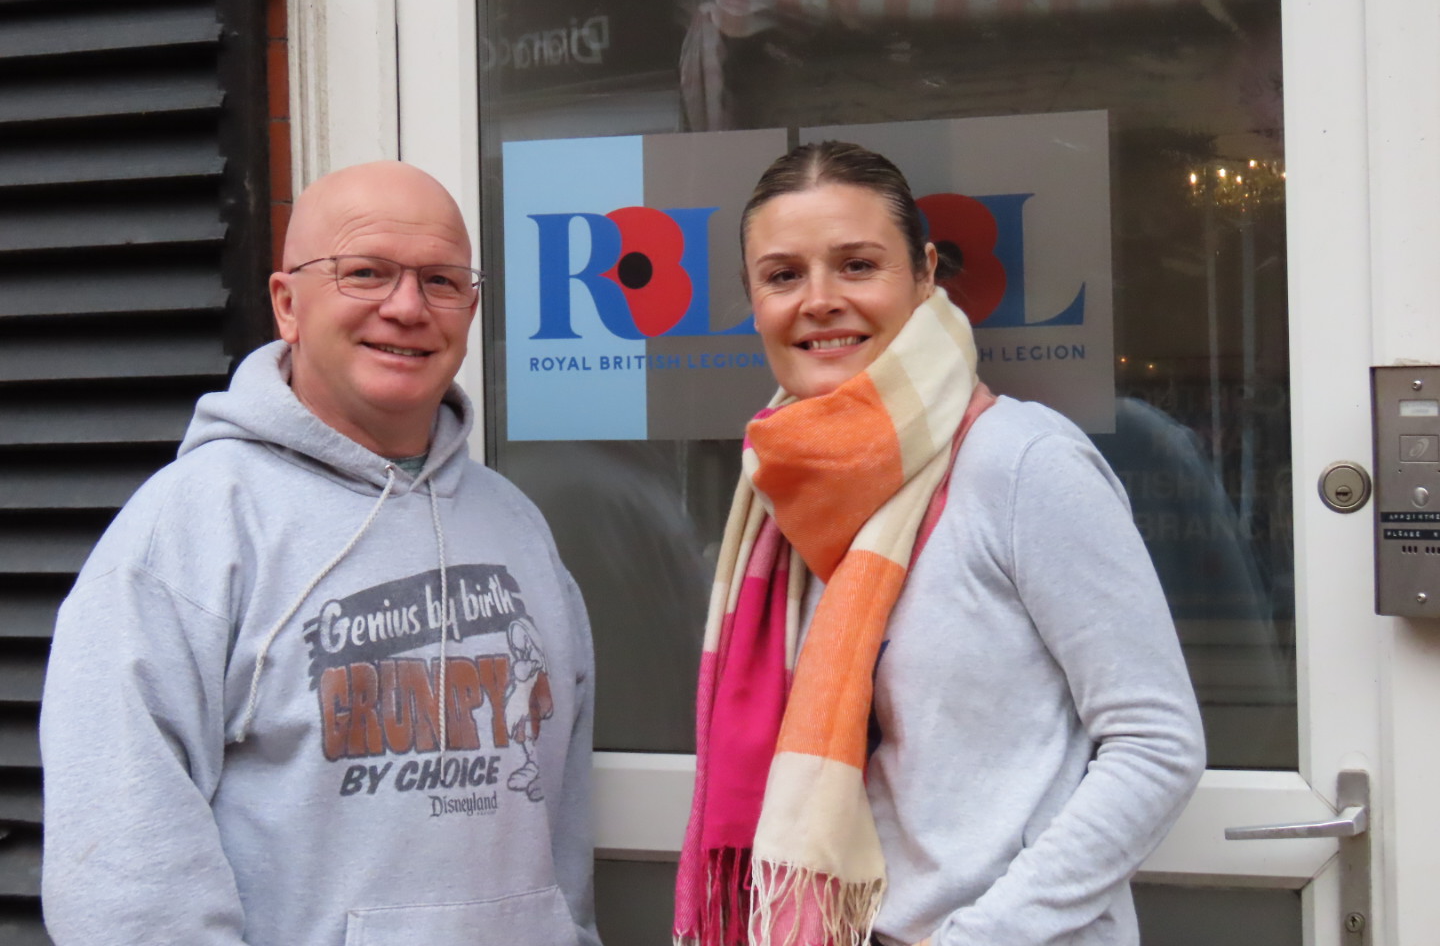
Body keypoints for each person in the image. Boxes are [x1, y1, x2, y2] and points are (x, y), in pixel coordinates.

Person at [40, 161, 600, 946]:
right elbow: (124, 877)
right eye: (366, 273)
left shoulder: (517, 529)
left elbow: (563, 827)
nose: (407, 307)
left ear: (470, 310)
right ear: (286, 305)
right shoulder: (188, 532)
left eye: (441, 281)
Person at [673, 142, 1205, 946]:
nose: (820, 300)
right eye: (783, 275)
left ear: (924, 275)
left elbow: (1157, 745)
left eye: (857, 265)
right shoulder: (781, 494)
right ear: (753, 299)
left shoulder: (1021, 462)